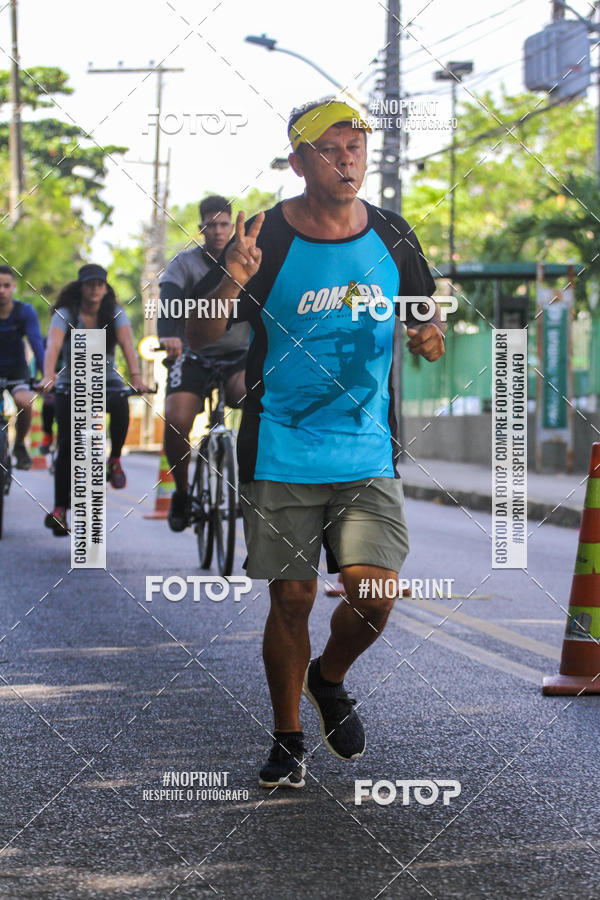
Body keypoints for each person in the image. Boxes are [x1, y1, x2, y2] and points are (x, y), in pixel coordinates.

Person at [187, 98, 445, 789]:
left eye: (356, 147)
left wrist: (429, 336)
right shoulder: (264, 235)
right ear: (298, 160)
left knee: (375, 594)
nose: (347, 160)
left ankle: (329, 679)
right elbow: (201, 336)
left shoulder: (393, 233)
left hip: (365, 448)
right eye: (331, 149)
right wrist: (233, 277)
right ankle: (288, 737)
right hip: (281, 444)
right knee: (294, 597)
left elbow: (425, 316)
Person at [158, 195, 250, 532]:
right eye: (211, 225)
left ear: (232, 227)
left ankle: (254, 484)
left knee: (258, 400)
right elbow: (168, 303)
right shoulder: (183, 265)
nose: (218, 231)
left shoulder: (246, 260)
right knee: (176, 419)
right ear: (201, 229)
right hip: (191, 354)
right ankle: (183, 493)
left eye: (224, 224)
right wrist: (168, 336)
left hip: (237, 356)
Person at [42, 264, 148, 536]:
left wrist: (136, 377)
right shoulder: (67, 314)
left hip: (107, 381)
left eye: (100, 284)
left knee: (121, 403)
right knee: (66, 444)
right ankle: (60, 509)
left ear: (105, 287)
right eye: (90, 284)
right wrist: (48, 376)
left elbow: (127, 344)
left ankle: (114, 459)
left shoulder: (115, 313)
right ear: (81, 287)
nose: (95, 289)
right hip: (70, 384)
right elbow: (53, 346)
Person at [0, 265, 45, 469]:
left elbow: (36, 343)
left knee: (25, 402)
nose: (2, 290)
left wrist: (46, 375)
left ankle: (19, 445)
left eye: (6, 285)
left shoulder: (24, 312)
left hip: (17, 370)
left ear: (14, 287)